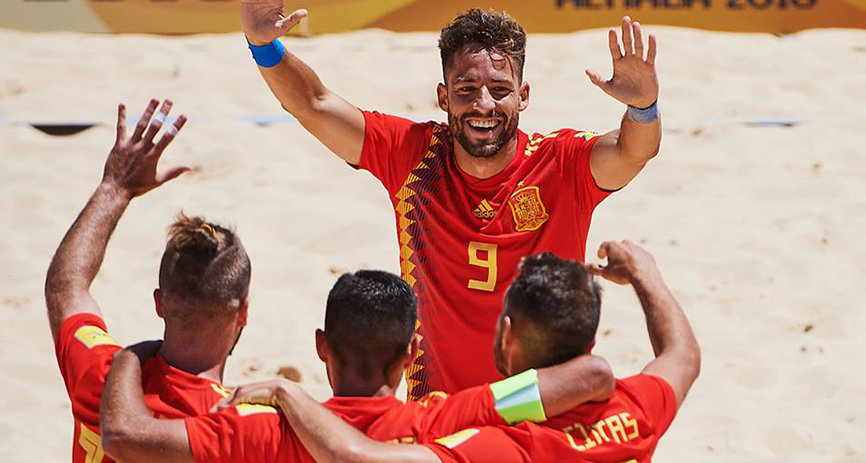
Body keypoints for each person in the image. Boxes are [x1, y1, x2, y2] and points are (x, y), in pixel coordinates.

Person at [241, 0, 663, 398]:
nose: (483, 104)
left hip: (544, 413)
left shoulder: (561, 163)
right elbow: (314, 103)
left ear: (523, 96)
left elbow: (635, 150)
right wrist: (263, 45)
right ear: (444, 97)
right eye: (466, 89)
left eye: (500, 91)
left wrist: (643, 107)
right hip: (440, 418)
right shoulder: (412, 156)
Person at [211, 241, 700, 463]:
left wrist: (285, 393)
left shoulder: (502, 443)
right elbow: (683, 355)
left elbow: (355, 457)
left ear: (507, 334)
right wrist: (644, 272)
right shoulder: (636, 411)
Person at [99, 270, 615, 463]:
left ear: (322, 346)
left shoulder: (260, 431)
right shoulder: (448, 421)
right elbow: (592, 377)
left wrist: (130, 355)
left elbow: (123, 436)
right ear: (412, 354)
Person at [45, 99, 253, 462]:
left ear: (159, 301)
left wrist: (115, 188)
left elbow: (66, 286)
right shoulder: (240, 430)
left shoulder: (100, 371)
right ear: (243, 313)